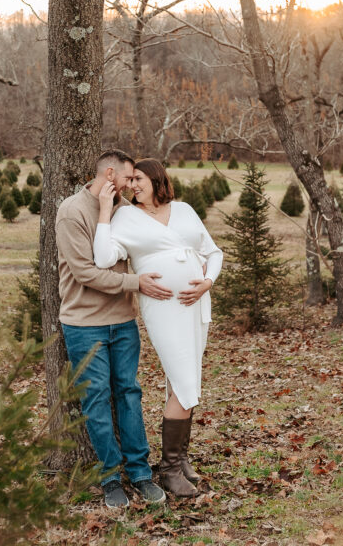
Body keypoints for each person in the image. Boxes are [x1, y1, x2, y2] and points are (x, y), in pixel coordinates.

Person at [94, 158, 223, 498]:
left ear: (156, 179)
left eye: (139, 179)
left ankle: (180, 461)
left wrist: (207, 282)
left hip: (195, 304)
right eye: (130, 180)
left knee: (186, 378)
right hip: (163, 306)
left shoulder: (183, 210)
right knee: (183, 380)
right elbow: (104, 257)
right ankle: (167, 470)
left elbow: (214, 252)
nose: (133, 185)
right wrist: (106, 211)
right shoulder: (125, 217)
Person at [56, 149, 170, 509]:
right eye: (128, 178)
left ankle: (139, 473)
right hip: (84, 325)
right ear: (109, 174)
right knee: (96, 402)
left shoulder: (124, 212)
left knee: (129, 395)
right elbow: (85, 273)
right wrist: (136, 283)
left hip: (122, 323)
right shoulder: (71, 212)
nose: (133, 184)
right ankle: (109, 479)